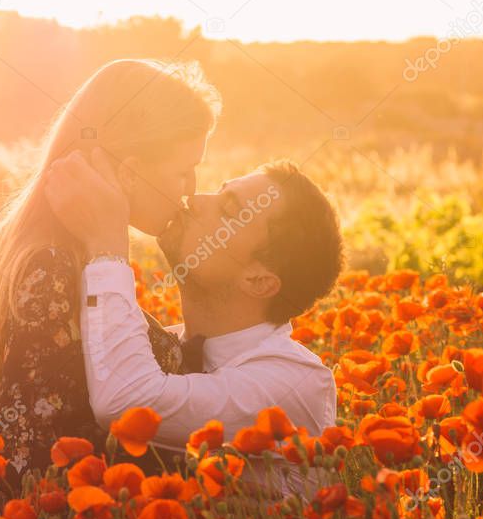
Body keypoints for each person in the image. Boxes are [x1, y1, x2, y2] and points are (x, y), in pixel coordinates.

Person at [0, 58, 222, 492]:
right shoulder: (51, 264)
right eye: (183, 171)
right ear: (131, 173)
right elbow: (35, 449)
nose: (191, 189)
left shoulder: (63, 249)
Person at [44, 150, 345, 497]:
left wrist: (106, 245)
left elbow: (125, 403)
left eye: (228, 209)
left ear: (259, 281)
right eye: (217, 191)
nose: (195, 199)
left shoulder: (294, 382)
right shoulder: (159, 345)